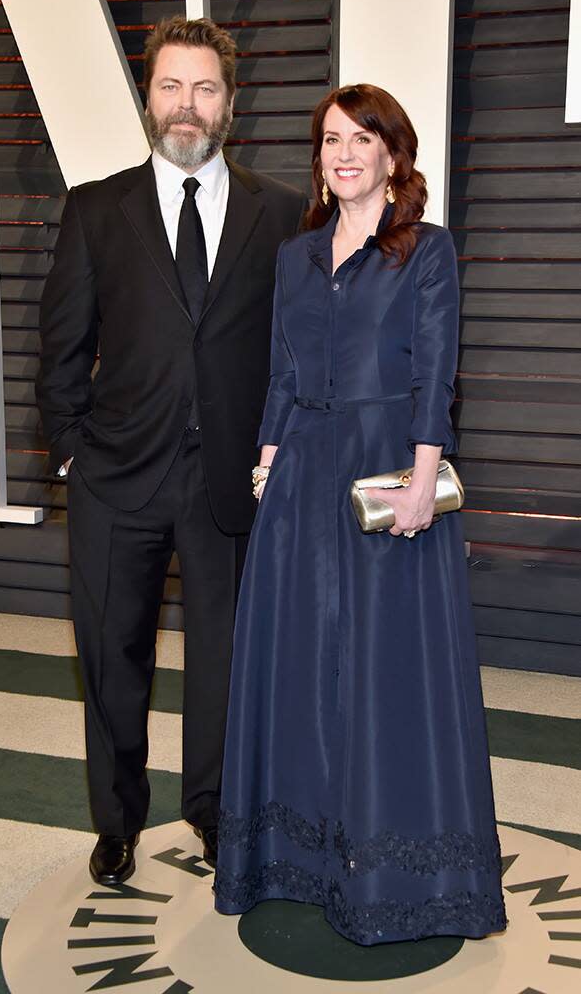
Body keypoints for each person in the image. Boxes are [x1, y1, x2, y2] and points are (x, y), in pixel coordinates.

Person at [214, 84, 507, 946]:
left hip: (387, 471)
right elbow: (279, 368)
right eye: (330, 140)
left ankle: (396, 866)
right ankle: (295, 855)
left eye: (361, 139)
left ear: (392, 154)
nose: (343, 154)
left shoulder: (427, 250)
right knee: (299, 666)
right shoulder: (296, 256)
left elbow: (437, 372)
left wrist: (424, 478)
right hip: (302, 475)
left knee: (387, 671)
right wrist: (267, 458)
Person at [36, 16, 307, 885]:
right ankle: (116, 821)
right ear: (147, 98)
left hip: (232, 480)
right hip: (116, 479)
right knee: (111, 657)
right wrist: (74, 450)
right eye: (170, 87)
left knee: (224, 662)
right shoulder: (94, 207)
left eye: (204, 89)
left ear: (231, 104)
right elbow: (60, 351)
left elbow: (298, 349)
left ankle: (216, 814)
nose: (186, 106)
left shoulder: (282, 213)